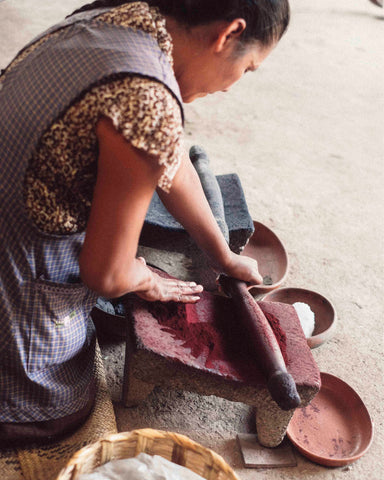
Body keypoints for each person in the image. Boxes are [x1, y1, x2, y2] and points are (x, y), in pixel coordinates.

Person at [0, 0, 290, 444]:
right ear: (228, 34)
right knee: (57, 412)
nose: (234, 86)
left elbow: (170, 163)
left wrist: (222, 255)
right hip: (13, 266)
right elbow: (108, 274)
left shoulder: (119, 16)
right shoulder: (147, 100)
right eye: (248, 68)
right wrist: (143, 277)